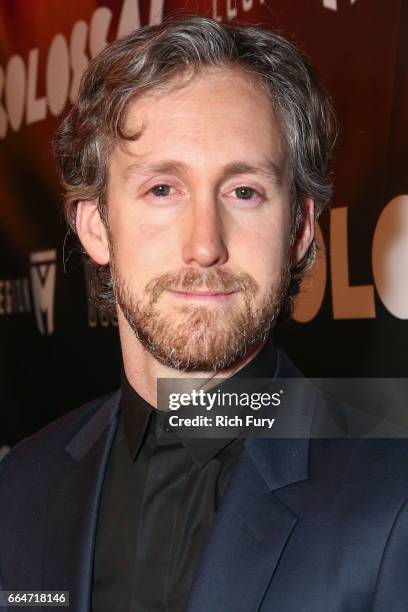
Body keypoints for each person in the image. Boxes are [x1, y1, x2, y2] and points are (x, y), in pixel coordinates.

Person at [1, 15, 408, 612]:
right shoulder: (22, 485)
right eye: (162, 189)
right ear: (96, 227)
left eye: (243, 191)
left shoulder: (393, 498)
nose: (204, 245)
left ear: (298, 230)